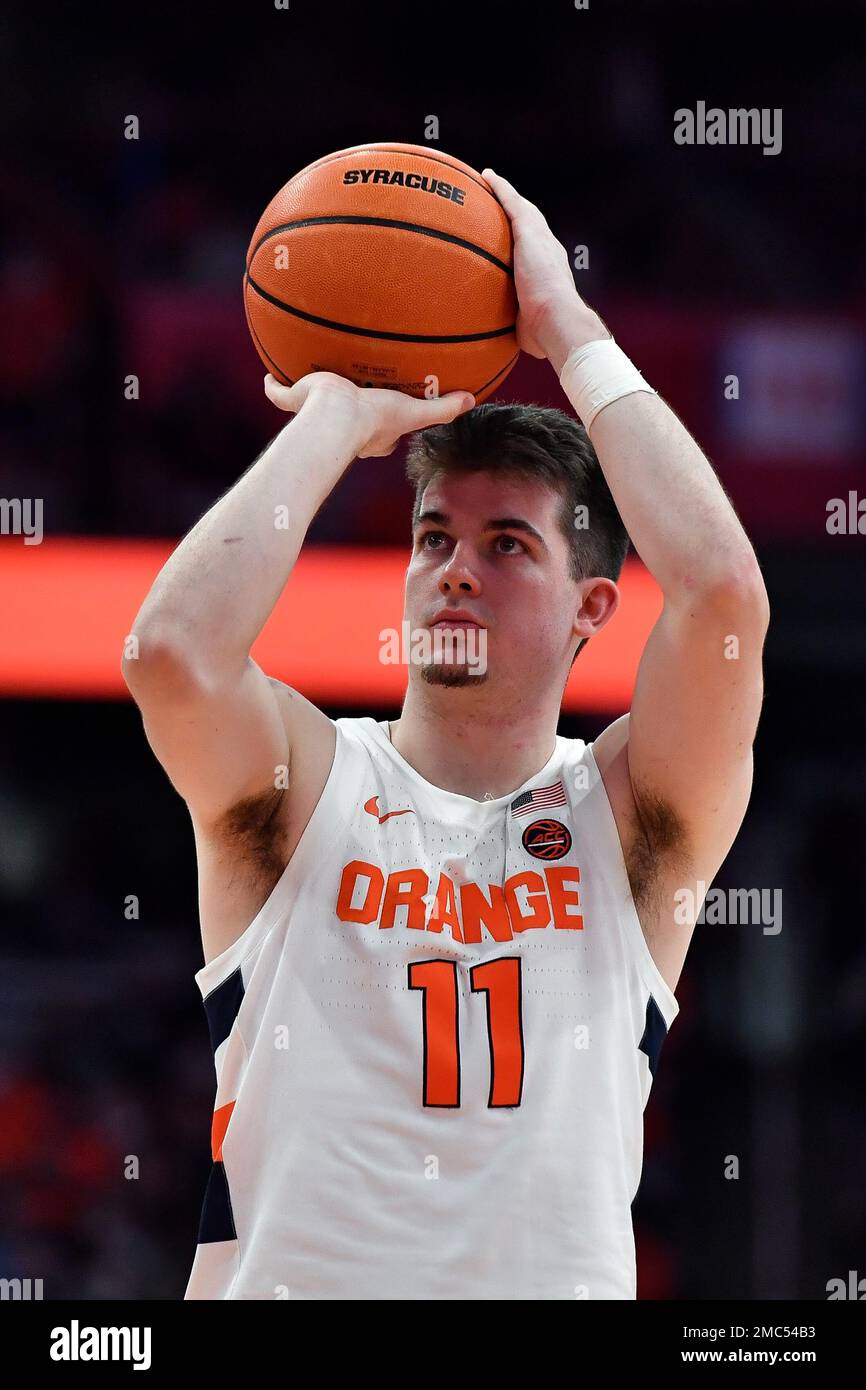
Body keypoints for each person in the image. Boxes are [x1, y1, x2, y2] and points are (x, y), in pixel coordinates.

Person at [122, 169, 769, 1299]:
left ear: (591, 609)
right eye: (432, 536)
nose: (454, 569)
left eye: (508, 544)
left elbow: (720, 598)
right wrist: (333, 414)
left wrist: (569, 330)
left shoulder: (628, 819)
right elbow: (170, 655)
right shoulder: (305, 782)